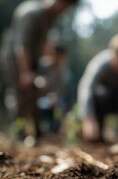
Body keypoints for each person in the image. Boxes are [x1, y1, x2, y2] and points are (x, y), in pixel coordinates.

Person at [0, 0, 79, 138]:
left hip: (31, 59)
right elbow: (22, 44)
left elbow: (43, 42)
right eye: (64, 7)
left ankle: (37, 133)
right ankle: (19, 134)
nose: (63, 11)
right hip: (15, 59)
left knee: (34, 94)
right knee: (21, 95)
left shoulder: (48, 18)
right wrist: (25, 72)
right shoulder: (32, 13)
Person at [77, 33, 118, 142]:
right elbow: (86, 89)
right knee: (101, 92)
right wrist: (89, 119)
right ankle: (98, 133)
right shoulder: (100, 65)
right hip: (104, 101)